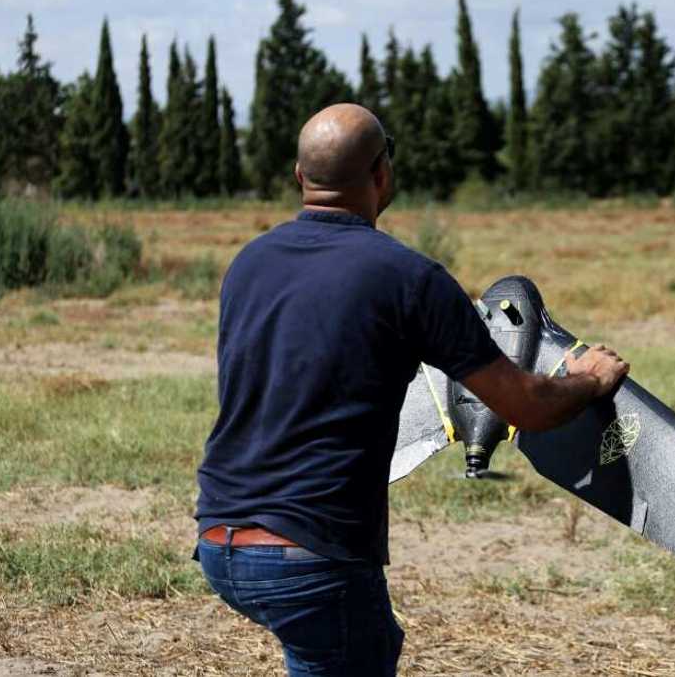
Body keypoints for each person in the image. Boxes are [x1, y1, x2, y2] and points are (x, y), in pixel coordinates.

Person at [194, 103, 629, 676]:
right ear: (381, 175)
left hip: (221, 540)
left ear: (300, 177)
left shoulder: (248, 263)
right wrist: (589, 378)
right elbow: (525, 406)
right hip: (311, 554)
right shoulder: (409, 278)